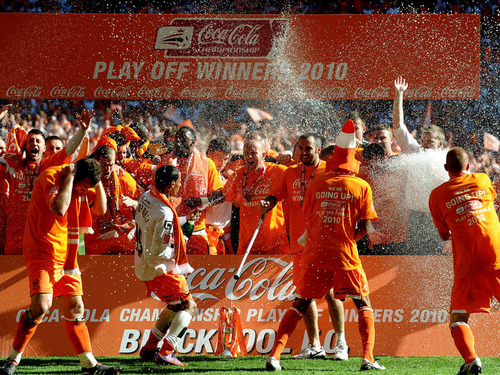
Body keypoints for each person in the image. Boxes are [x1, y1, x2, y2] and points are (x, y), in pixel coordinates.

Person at [266, 120, 385, 372]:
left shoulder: (317, 183)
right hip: (345, 253)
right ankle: (368, 358)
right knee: (362, 302)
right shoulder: (361, 186)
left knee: (299, 303)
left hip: (314, 252)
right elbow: (365, 225)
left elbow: (308, 218)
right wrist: (349, 237)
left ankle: (274, 357)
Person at [0, 158, 122, 375]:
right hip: (43, 251)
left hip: (68, 253)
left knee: (76, 308)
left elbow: (101, 209)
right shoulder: (52, 177)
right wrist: (69, 180)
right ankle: (12, 360)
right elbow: (59, 208)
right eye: (83, 186)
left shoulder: (81, 183)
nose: (84, 191)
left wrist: (98, 180)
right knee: (41, 307)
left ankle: (89, 365)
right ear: (75, 176)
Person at [260, 133, 348, 360]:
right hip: (300, 245)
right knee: (304, 293)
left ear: (318, 149)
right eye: (301, 148)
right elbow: (277, 195)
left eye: (308, 148)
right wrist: (268, 202)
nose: (303, 152)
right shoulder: (290, 173)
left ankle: (341, 343)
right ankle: (315, 345)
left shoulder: (329, 171)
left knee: (330, 292)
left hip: (325, 242)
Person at [428, 147, 500, 375]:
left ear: (445, 169)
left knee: (458, 317)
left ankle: (471, 360)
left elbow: (443, 234)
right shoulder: (482, 179)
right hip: (497, 255)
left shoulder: (437, 195)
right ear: (469, 166)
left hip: (468, 265)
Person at [0, 109, 94, 255]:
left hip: (39, 240)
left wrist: (82, 130)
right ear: (25, 146)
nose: (34, 144)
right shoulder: (13, 165)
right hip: (14, 238)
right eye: (30, 141)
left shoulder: (48, 164)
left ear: (43, 148)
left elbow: (68, 150)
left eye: (38, 141)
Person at [187, 130, 289, 255]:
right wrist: (201, 201)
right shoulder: (239, 174)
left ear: (263, 155)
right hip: (248, 245)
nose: (249, 157)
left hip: (275, 244)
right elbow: (223, 195)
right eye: (246, 153)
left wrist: (289, 154)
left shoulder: (278, 171)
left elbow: (299, 176)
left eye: (253, 153)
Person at [135, 165, 197, 366]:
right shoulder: (165, 213)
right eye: (178, 181)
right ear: (171, 184)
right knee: (188, 306)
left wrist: (185, 220)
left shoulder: (146, 196)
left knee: (175, 305)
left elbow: (153, 225)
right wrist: (186, 233)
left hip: (142, 263)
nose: (180, 184)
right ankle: (166, 352)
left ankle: (150, 347)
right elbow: (162, 251)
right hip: (159, 269)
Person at [392, 76, 448, 255]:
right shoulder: (415, 152)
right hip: (416, 216)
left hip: (439, 217)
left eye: (430, 141)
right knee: (415, 256)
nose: (424, 144)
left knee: (439, 255)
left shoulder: (448, 160)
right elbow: (399, 128)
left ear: (440, 144)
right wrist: (399, 94)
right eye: (423, 140)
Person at [159, 126, 223, 254]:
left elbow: (221, 196)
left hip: (196, 228)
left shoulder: (206, 164)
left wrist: (201, 201)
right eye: (177, 139)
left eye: (183, 139)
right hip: (169, 226)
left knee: (197, 270)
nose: (178, 142)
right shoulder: (166, 161)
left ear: (193, 143)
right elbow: (156, 191)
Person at [85, 140, 140, 255]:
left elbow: (144, 202)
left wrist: (134, 203)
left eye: (111, 165)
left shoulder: (123, 178)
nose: (108, 169)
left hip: (124, 242)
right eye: (104, 165)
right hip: (98, 244)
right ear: (96, 160)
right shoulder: (88, 180)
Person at [205, 137, 233, 255]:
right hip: (208, 233)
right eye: (219, 157)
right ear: (209, 154)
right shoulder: (202, 175)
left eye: (225, 159)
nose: (222, 163)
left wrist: (234, 177)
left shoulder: (228, 176)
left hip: (226, 234)